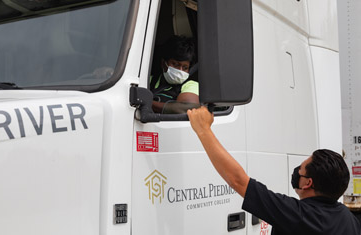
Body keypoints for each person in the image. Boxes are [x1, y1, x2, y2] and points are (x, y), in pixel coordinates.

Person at [187, 106, 361, 235]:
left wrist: (203, 130)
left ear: (308, 183)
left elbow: (237, 180)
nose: (296, 172)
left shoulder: (299, 215)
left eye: (300, 169)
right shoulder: (348, 219)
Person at [150, 35, 200, 113]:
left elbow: (186, 109)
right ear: (163, 63)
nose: (180, 71)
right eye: (176, 64)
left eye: (185, 67)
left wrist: (147, 103)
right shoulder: (149, 80)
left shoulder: (191, 85)